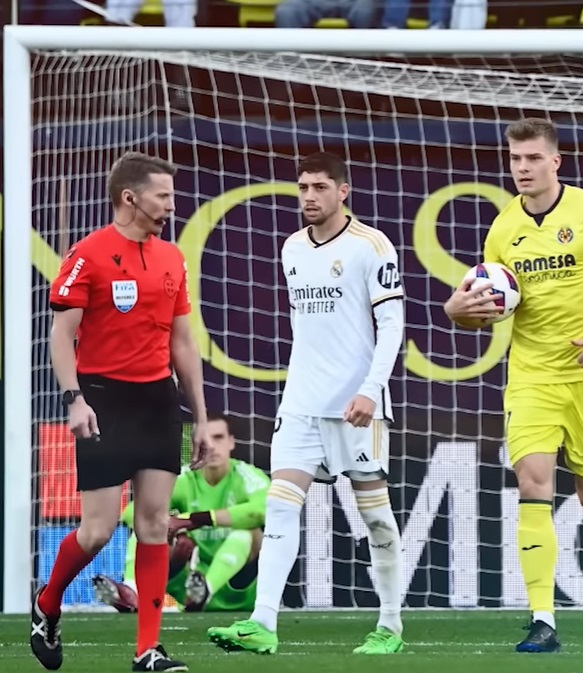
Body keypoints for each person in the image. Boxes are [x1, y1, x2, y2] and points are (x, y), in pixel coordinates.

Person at [443, 117, 583, 653]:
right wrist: (456, 309)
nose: (523, 168)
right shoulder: (502, 229)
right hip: (531, 377)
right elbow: (483, 308)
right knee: (534, 484)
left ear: (555, 161)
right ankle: (544, 619)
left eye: (533, 158)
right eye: (515, 159)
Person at [207, 152, 408, 656]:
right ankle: (262, 623)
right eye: (302, 188)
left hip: (358, 406)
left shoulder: (372, 246)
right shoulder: (291, 247)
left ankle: (390, 625)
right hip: (300, 401)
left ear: (343, 191)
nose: (309, 197)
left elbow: (392, 326)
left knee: (377, 519)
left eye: (319, 187)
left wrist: (370, 387)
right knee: (279, 505)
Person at [36, 151, 211, 673]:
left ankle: (147, 651)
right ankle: (47, 605)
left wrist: (200, 414)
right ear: (130, 198)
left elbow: (183, 341)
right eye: (164, 196)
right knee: (98, 529)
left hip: (157, 399)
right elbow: (61, 337)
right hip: (102, 399)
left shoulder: (171, 258)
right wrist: (75, 399)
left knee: (156, 522)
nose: (171, 206)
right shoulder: (87, 255)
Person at [93, 412, 269, 614]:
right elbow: (130, 512)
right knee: (147, 524)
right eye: (205, 439)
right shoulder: (185, 479)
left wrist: (193, 520)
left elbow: (264, 509)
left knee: (248, 532)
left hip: (242, 591)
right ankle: (132, 590)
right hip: (189, 588)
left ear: (231, 442)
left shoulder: (246, 476)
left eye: (218, 438)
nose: (210, 446)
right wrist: (170, 526)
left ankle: (207, 590)